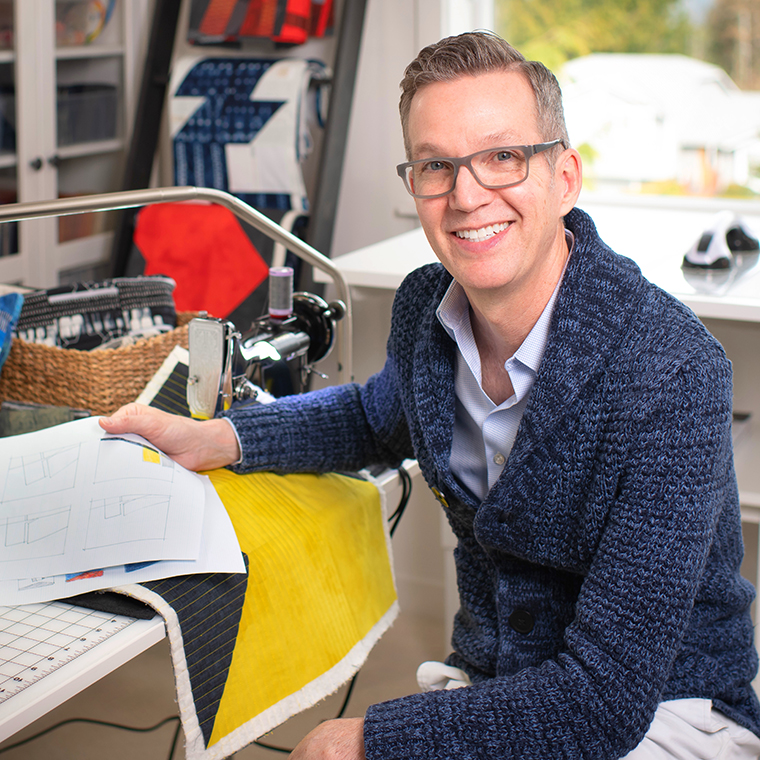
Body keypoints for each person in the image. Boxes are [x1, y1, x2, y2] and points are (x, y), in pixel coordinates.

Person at [100, 31, 760, 760]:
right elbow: (376, 414)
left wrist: (372, 738)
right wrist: (225, 436)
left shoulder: (670, 372)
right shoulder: (427, 309)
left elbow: (603, 700)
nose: (466, 193)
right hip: (500, 682)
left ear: (565, 177)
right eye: (436, 165)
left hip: (666, 711)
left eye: (503, 156)